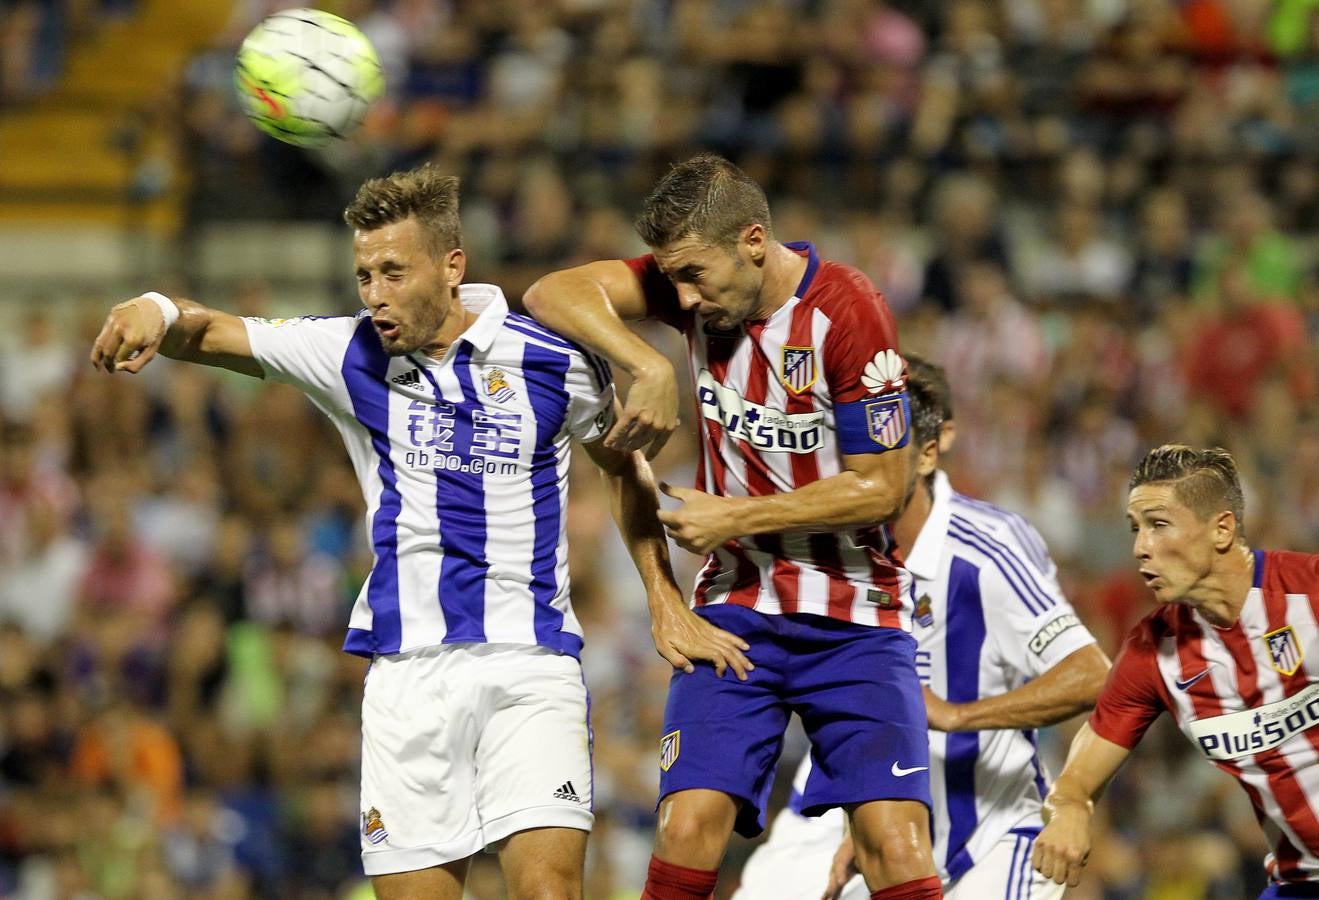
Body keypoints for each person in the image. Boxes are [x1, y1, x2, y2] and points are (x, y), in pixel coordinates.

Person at [88, 165, 752, 900]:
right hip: (408, 680)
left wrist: (663, 600)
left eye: (393, 272)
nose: (374, 293)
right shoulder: (346, 353)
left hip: (530, 666)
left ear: (450, 266)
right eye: (364, 274)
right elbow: (210, 328)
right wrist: (153, 308)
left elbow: (624, 471)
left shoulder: (555, 359)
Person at [524, 154, 941, 899]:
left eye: (694, 275)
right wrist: (642, 362)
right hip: (737, 613)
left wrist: (738, 516)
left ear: (753, 240)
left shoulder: (847, 311)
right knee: (686, 825)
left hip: (856, 618)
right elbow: (550, 291)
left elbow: (883, 486)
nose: (683, 296)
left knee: (897, 844)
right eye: (670, 279)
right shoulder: (690, 290)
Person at [733, 356, 1110, 900]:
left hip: (988, 831)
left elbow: (1090, 674)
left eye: (882, 450)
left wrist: (959, 716)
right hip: (850, 811)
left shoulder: (987, 551)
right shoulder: (824, 545)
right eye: (852, 450)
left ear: (928, 452)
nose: (864, 468)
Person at [1032, 445, 1319, 898]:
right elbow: (1076, 782)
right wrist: (1069, 809)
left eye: (1158, 525)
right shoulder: (1151, 654)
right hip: (1299, 883)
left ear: (1221, 530)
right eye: (1135, 529)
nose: (1139, 548)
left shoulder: (1310, 594)